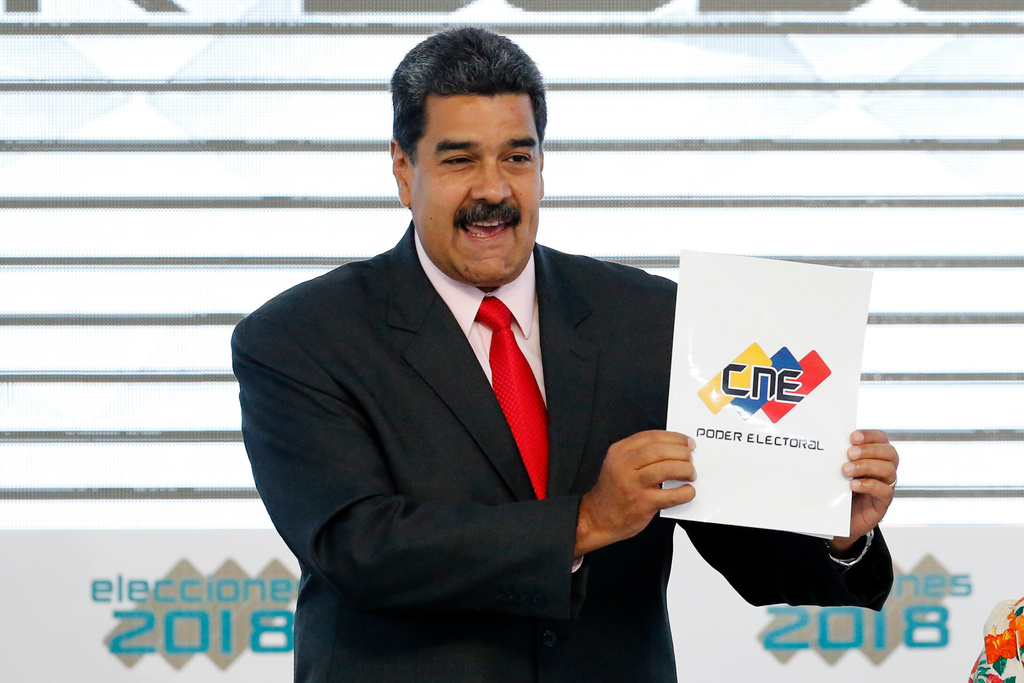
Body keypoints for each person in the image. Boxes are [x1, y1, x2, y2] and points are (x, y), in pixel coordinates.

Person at [232, 27, 897, 682]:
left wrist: (835, 527)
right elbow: (360, 547)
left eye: (517, 157)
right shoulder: (300, 338)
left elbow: (747, 546)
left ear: (543, 168)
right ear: (405, 171)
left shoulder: (654, 319)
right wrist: (585, 520)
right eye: (460, 159)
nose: (493, 189)